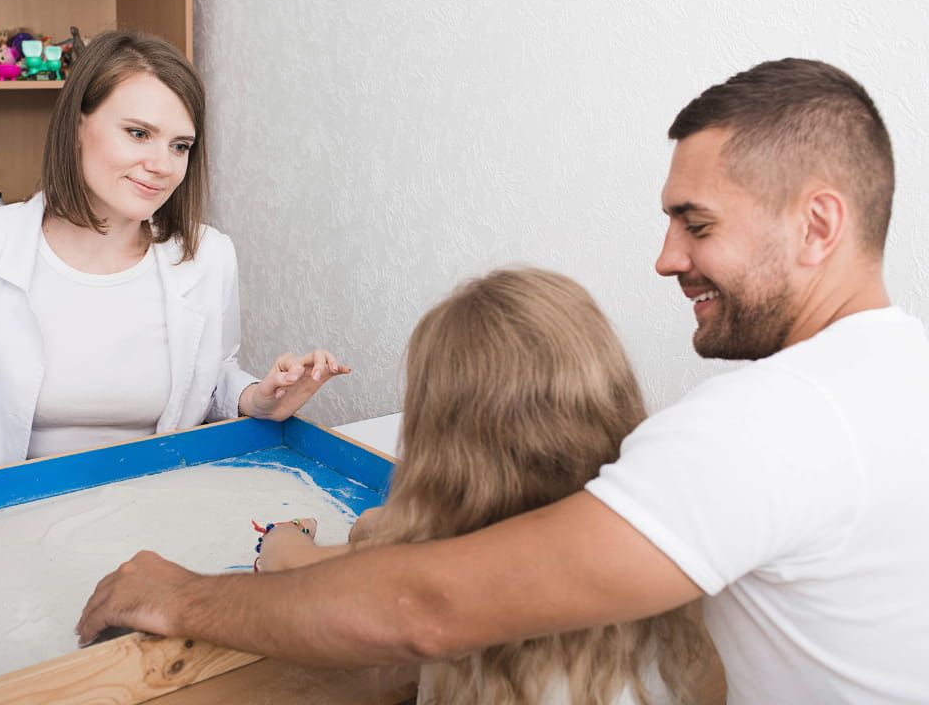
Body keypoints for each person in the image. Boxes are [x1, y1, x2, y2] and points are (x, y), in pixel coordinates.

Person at [77, 58, 929, 703]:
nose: (667, 258)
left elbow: (427, 607)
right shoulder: (896, 371)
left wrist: (185, 595)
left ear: (818, 224)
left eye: (695, 223)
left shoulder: (768, 423)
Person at [0, 31, 349, 486]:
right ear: (77, 126)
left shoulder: (210, 256)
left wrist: (256, 400)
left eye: (180, 146)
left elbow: (211, 379)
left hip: (153, 506)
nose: (162, 165)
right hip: (6, 510)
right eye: (138, 134)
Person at [256, 267, 711, 704]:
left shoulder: (448, 576)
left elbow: (300, 575)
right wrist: (378, 529)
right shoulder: (637, 535)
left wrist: (283, 537)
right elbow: (397, 536)